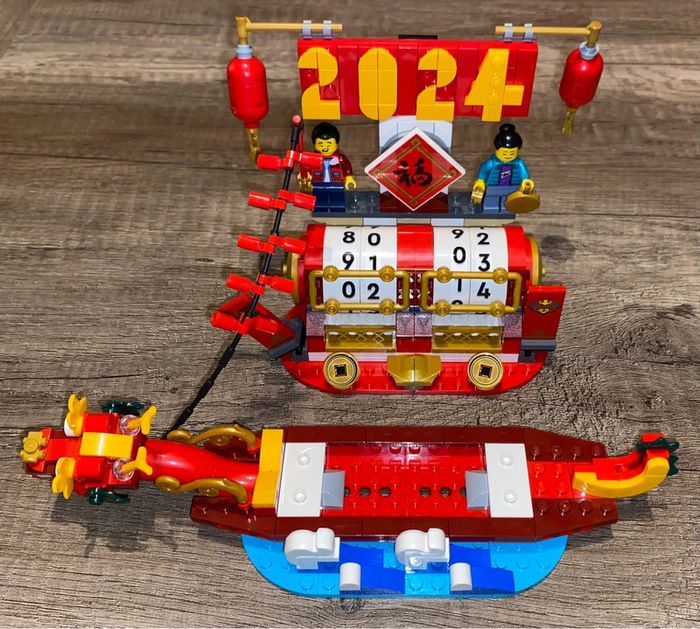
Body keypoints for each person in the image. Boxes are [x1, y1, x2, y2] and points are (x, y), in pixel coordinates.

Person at [471, 123, 536, 215]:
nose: (508, 156)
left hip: (512, 187)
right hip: (493, 187)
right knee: (491, 200)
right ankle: (490, 211)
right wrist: (480, 181)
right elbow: (483, 171)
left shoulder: (519, 164)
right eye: (505, 153)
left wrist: (526, 181)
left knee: (508, 200)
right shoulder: (491, 163)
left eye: (512, 153)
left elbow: (524, 174)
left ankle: (507, 211)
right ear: (497, 150)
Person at [299, 122, 356, 212]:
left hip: (336, 184)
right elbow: (307, 168)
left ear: (336, 143)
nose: (325, 147)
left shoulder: (340, 158)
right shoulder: (313, 159)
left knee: (338, 201)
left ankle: (338, 210)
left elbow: (347, 167)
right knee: (319, 201)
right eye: (321, 144)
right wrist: (306, 178)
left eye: (329, 144)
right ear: (314, 144)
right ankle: (320, 210)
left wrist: (349, 177)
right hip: (318, 184)